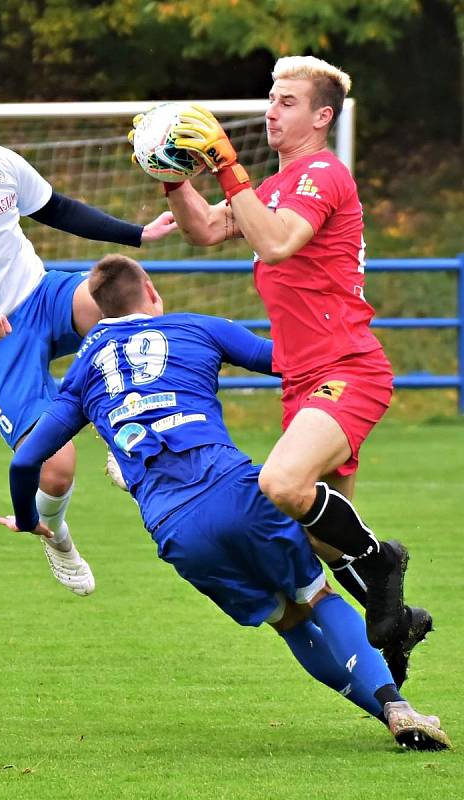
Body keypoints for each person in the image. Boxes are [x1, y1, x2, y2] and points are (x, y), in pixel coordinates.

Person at [0, 254, 450, 751]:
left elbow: (24, 464)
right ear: (149, 288)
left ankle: (390, 712)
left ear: (98, 310)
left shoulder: (82, 372)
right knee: (317, 596)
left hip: (175, 528)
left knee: (289, 622)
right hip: (236, 490)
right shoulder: (195, 327)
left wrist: (27, 518)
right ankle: (398, 701)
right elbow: (285, 362)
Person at [132, 55, 429, 667]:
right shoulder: (276, 185)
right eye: (270, 98)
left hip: (348, 367)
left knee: (280, 484)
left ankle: (384, 564)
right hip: (305, 379)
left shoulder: (322, 173)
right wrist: (173, 176)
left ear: (322, 117)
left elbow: (277, 242)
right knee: (322, 536)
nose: (271, 110)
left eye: (287, 101)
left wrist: (228, 165)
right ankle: (397, 622)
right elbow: (207, 231)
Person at [0, 51, 176, 596]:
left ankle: (122, 430)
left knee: (123, 291)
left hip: (40, 295)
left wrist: (138, 234)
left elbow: (58, 209)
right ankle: (58, 536)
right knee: (56, 467)